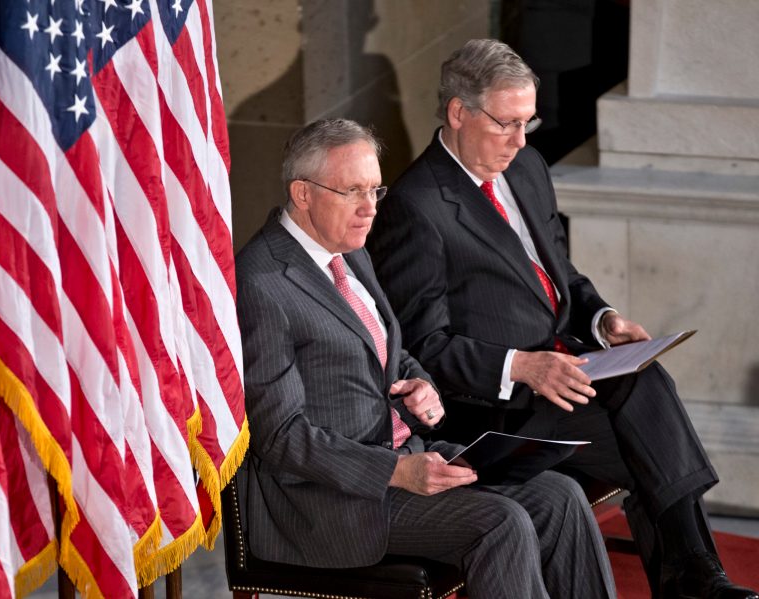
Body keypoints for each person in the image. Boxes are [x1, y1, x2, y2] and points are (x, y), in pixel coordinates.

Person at [366, 39, 758, 599]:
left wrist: (603, 319)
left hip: (563, 372)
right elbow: (425, 345)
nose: (521, 140)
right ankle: (692, 577)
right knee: (650, 443)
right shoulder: (417, 206)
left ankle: (693, 576)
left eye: (529, 121)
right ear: (458, 112)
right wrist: (522, 366)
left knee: (642, 380)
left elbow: (560, 274)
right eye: (506, 123)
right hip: (491, 409)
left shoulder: (525, 166)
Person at [235, 118, 616, 598]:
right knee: (501, 523)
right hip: (334, 502)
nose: (370, 209)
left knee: (560, 497)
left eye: (376, 190)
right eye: (353, 191)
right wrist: (396, 472)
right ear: (303, 193)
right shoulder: (262, 283)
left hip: (408, 458)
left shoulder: (348, 250)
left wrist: (421, 384)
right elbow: (281, 438)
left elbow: (393, 350)